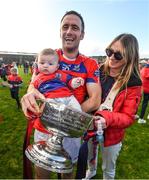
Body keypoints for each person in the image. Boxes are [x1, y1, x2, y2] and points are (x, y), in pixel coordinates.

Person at [21, 10, 101, 179]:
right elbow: (32, 86)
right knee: (41, 173)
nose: (69, 31)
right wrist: (28, 97)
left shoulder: (90, 63)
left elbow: (94, 100)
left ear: (82, 34)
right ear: (60, 31)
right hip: (43, 127)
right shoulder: (47, 56)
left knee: (68, 174)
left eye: (75, 27)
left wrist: (63, 117)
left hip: (71, 130)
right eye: (65, 26)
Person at [81, 33, 142, 179]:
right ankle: (92, 171)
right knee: (90, 155)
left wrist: (105, 118)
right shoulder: (97, 71)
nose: (112, 57)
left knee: (109, 167)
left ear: (130, 57)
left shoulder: (133, 83)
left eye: (119, 55)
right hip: (89, 126)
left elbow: (128, 117)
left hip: (112, 134)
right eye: (109, 51)